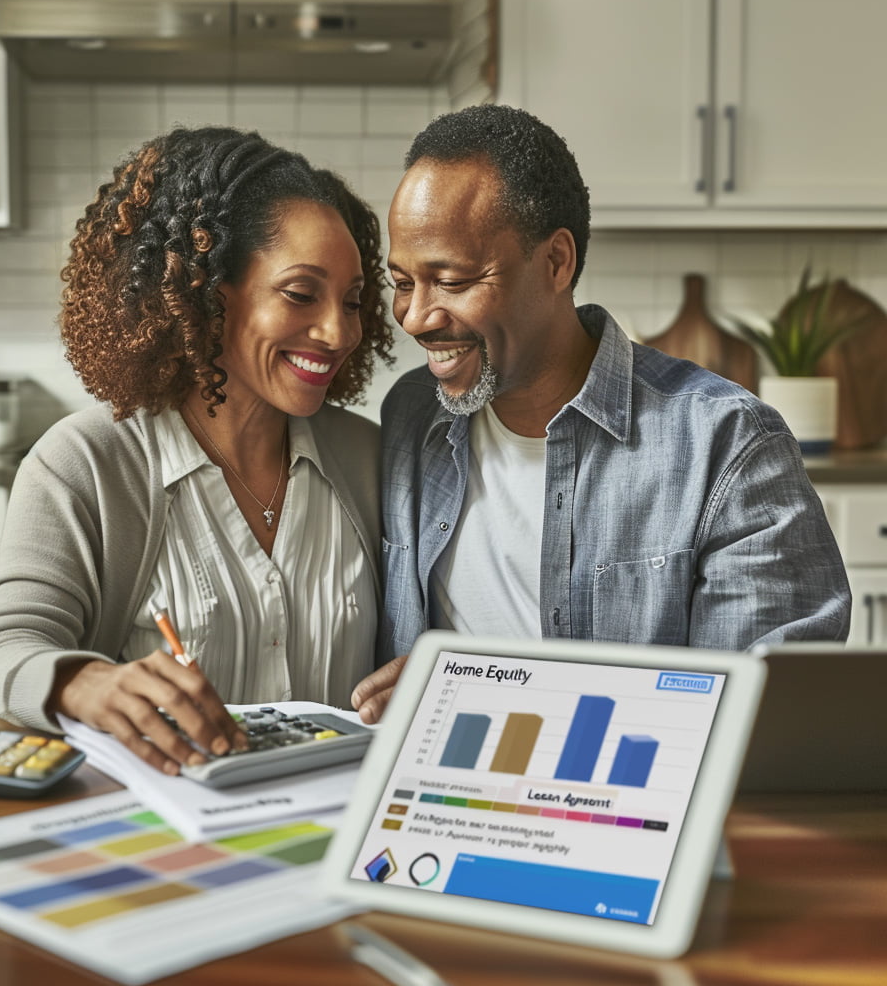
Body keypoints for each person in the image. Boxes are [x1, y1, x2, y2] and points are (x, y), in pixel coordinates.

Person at [350, 103, 851, 724]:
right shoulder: (411, 414)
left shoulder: (726, 444)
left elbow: (765, 712)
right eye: (402, 282)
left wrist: (491, 695)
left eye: (451, 281)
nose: (416, 318)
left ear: (556, 262)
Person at [0, 126, 395, 773]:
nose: (338, 332)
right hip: (153, 833)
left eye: (353, 301)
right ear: (206, 292)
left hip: (334, 833)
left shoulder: (368, 458)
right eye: (302, 294)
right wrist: (86, 683)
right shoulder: (84, 464)